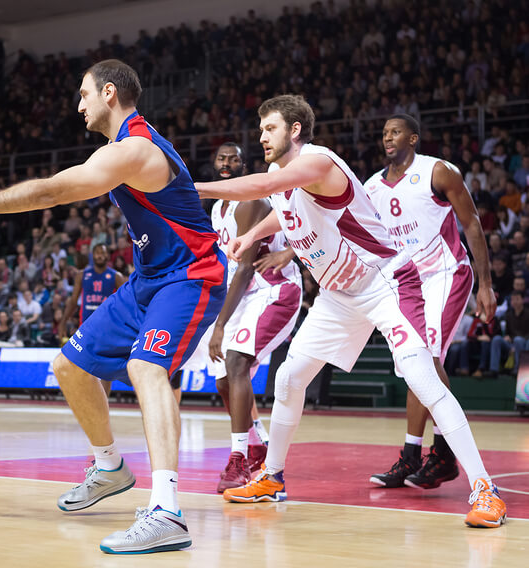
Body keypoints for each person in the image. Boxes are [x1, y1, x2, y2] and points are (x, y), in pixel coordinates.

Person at [0, 59, 226, 553]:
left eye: (83, 95)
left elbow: (53, 191)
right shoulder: (125, 148)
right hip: (148, 279)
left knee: (146, 367)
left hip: (190, 275)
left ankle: (167, 511)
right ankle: (109, 467)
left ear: (110, 94)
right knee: (69, 366)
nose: (78, 105)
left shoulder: (134, 148)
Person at [197, 94, 505, 529]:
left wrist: (194, 189)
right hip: (337, 295)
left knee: (423, 377)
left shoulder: (319, 162)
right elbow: (283, 210)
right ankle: (273, 477)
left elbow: (263, 190)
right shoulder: (277, 174)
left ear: (295, 131)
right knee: (289, 378)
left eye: (270, 128)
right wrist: (251, 237)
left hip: (385, 283)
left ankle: (484, 488)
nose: (261, 135)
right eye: (261, 128)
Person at [364, 114, 496, 490]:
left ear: (414, 138)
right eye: (385, 133)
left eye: (396, 132)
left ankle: (438, 456)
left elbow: (471, 223)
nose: (388, 138)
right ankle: (419, 455)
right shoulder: (371, 185)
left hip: (446, 273)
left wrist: (485, 283)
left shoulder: (438, 171)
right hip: (406, 283)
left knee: (427, 359)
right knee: (414, 365)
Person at [182, 142, 301, 493]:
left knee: (235, 364)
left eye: (234, 159)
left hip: (272, 291)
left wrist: (219, 324)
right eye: (221, 158)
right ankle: (259, 443)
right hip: (241, 294)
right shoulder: (219, 207)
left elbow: (246, 268)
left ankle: (237, 460)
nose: (227, 163)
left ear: (244, 166)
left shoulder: (251, 201)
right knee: (223, 381)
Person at [59, 243, 127, 341]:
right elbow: (73, 301)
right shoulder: (82, 275)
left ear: (108, 256)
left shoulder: (116, 276)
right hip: (85, 326)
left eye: (103, 253)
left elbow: (125, 304)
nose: (100, 256)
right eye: (97, 253)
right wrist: (63, 321)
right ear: (92, 255)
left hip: (108, 327)